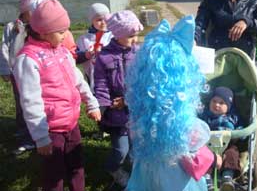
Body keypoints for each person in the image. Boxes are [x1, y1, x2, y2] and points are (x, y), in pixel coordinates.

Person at [13, 0, 101, 191]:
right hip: (51, 129)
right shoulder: (29, 59)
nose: (66, 35)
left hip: (71, 123)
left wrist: (91, 102)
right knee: (54, 175)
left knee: (77, 166)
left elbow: (77, 78)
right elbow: (30, 101)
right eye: (61, 31)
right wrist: (41, 137)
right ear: (44, 32)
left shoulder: (62, 51)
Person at [125, 15, 221, 191]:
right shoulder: (187, 127)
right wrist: (215, 158)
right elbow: (197, 157)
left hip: (146, 176)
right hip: (177, 183)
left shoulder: (139, 119)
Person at [93, 10, 143, 188]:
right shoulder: (104, 57)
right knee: (121, 149)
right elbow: (100, 84)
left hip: (136, 110)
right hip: (116, 113)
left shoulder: (139, 54)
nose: (135, 40)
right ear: (118, 34)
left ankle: (131, 171)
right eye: (131, 36)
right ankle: (114, 168)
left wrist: (130, 100)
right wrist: (103, 107)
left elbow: (143, 82)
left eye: (136, 35)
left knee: (136, 146)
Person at [0, 0, 36, 154]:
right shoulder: (11, 27)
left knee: (35, 103)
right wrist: (5, 70)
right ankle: (25, 136)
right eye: (31, 10)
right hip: (17, 73)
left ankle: (38, 133)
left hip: (34, 73)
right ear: (24, 11)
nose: (34, 13)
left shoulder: (37, 26)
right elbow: (4, 49)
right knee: (21, 105)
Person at [200, 87, 242, 191]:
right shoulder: (204, 115)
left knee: (232, 152)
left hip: (226, 145)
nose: (217, 105)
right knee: (202, 154)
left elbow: (241, 128)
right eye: (214, 101)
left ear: (228, 106)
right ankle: (206, 179)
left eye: (222, 103)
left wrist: (240, 132)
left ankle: (227, 177)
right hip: (208, 145)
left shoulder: (233, 118)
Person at [76, 3, 113, 88]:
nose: (103, 23)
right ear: (92, 21)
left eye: (106, 19)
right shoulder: (84, 39)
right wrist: (86, 55)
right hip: (93, 79)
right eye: (99, 20)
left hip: (111, 76)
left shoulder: (113, 36)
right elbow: (75, 57)